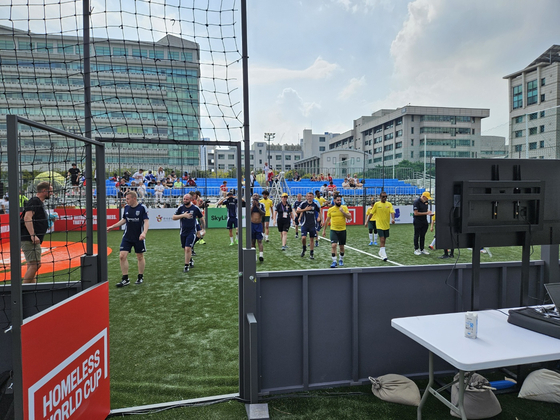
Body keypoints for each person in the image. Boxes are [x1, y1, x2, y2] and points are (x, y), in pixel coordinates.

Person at [107, 191, 149, 287]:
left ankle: (140, 276)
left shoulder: (142, 208)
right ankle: (125, 279)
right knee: (122, 256)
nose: (126, 201)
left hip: (139, 237)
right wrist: (112, 227)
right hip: (127, 236)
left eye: (128, 199)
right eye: (126, 199)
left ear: (134, 198)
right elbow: (124, 220)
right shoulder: (126, 208)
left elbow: (146, 221)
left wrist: (144, 233)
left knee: (139, 256)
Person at [20, 182, 53, 283]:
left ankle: (31, 288)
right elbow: (27, 217)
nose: (51, 193)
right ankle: (24, 290)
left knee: (32, 264)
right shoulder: (35, 201)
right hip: (29, 238)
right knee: (35, 264)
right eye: (50, 191)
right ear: (44, 191)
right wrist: (33, 235)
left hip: (29, 238)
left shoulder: (38, 202)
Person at [172, 193, 205, 273]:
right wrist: (183, 215)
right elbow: (174, 217)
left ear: (190, 200)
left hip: (191, 231)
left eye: (186, 199)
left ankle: (186, 266)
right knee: (185, 249)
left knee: (187, 248)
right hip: (183, 232)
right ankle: (190, 260)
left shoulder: (195, 208)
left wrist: (203, 229)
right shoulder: (181, 208)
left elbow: (201, 218)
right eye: (184, 199)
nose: (185, 200)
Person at [322, 193, 352, 268]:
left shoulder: (344, 208)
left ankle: (341, 259)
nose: (339, 201)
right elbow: (327, 220)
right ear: (334, 200)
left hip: (342, 230)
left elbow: (349, 217)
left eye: (340, 200)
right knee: (333, 245)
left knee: (341, 247)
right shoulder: (331, 210)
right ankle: (334, 261)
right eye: (337, 200)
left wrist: (343, 212)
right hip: (334, 230)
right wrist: (324, 230)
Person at [296, 192, 322, 260]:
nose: (309, 197)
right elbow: (297, 211)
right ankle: (304, 248)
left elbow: (319, 211)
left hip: (312, 224)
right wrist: (305, 209)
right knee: (303, 238)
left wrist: (320, 218)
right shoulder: (303, 204)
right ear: (306, 197)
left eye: (311, 196)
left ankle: (311, 253)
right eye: (308, 196)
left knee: (311, 239)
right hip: (304, 224)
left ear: (313, 197)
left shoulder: (315, 204)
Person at [371, 192, 395, 261]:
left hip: (386, 225)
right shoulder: (377, 204)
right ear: (380, 197)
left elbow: (392, 212)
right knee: (382, 239)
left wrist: (393, 219)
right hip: (379, 224)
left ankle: (381, 251)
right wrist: (367, 221)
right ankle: (384, 255)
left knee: (384, 239)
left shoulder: (389, 204)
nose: (385, 198)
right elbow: (371, 213)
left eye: (386, 196)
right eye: (383, 196)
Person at [413, 191, 433, 255]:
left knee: (423, 235)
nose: (427, 199)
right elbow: (416, 213)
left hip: (424, 220)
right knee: (417, 235)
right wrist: (426, 213)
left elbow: (426, 210)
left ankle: (422, 249)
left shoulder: (426, 202)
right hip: (417, 221)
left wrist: (429, 213)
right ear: (423, 197)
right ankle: (416, 249)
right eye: (427, 198)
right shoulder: (416, 202)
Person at [251, 193, 266, 262]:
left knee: (259, 240)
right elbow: (248, 213)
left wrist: (257, 207)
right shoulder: (250, 204)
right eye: (254, 195)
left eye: (256, 195)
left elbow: (263, 213)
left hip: (259, 225)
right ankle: (254, 256)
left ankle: (261, 255)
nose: (255, 196)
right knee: (252, 241)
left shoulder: (261, 205)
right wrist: (253, 206)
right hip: (252, 225)